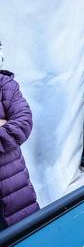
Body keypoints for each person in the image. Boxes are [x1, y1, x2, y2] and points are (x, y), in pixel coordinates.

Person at [0, 45, 39, 229]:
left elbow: (23, 123)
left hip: (12, 184)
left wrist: (7, 125)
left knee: (21, 239)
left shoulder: (5, 85)